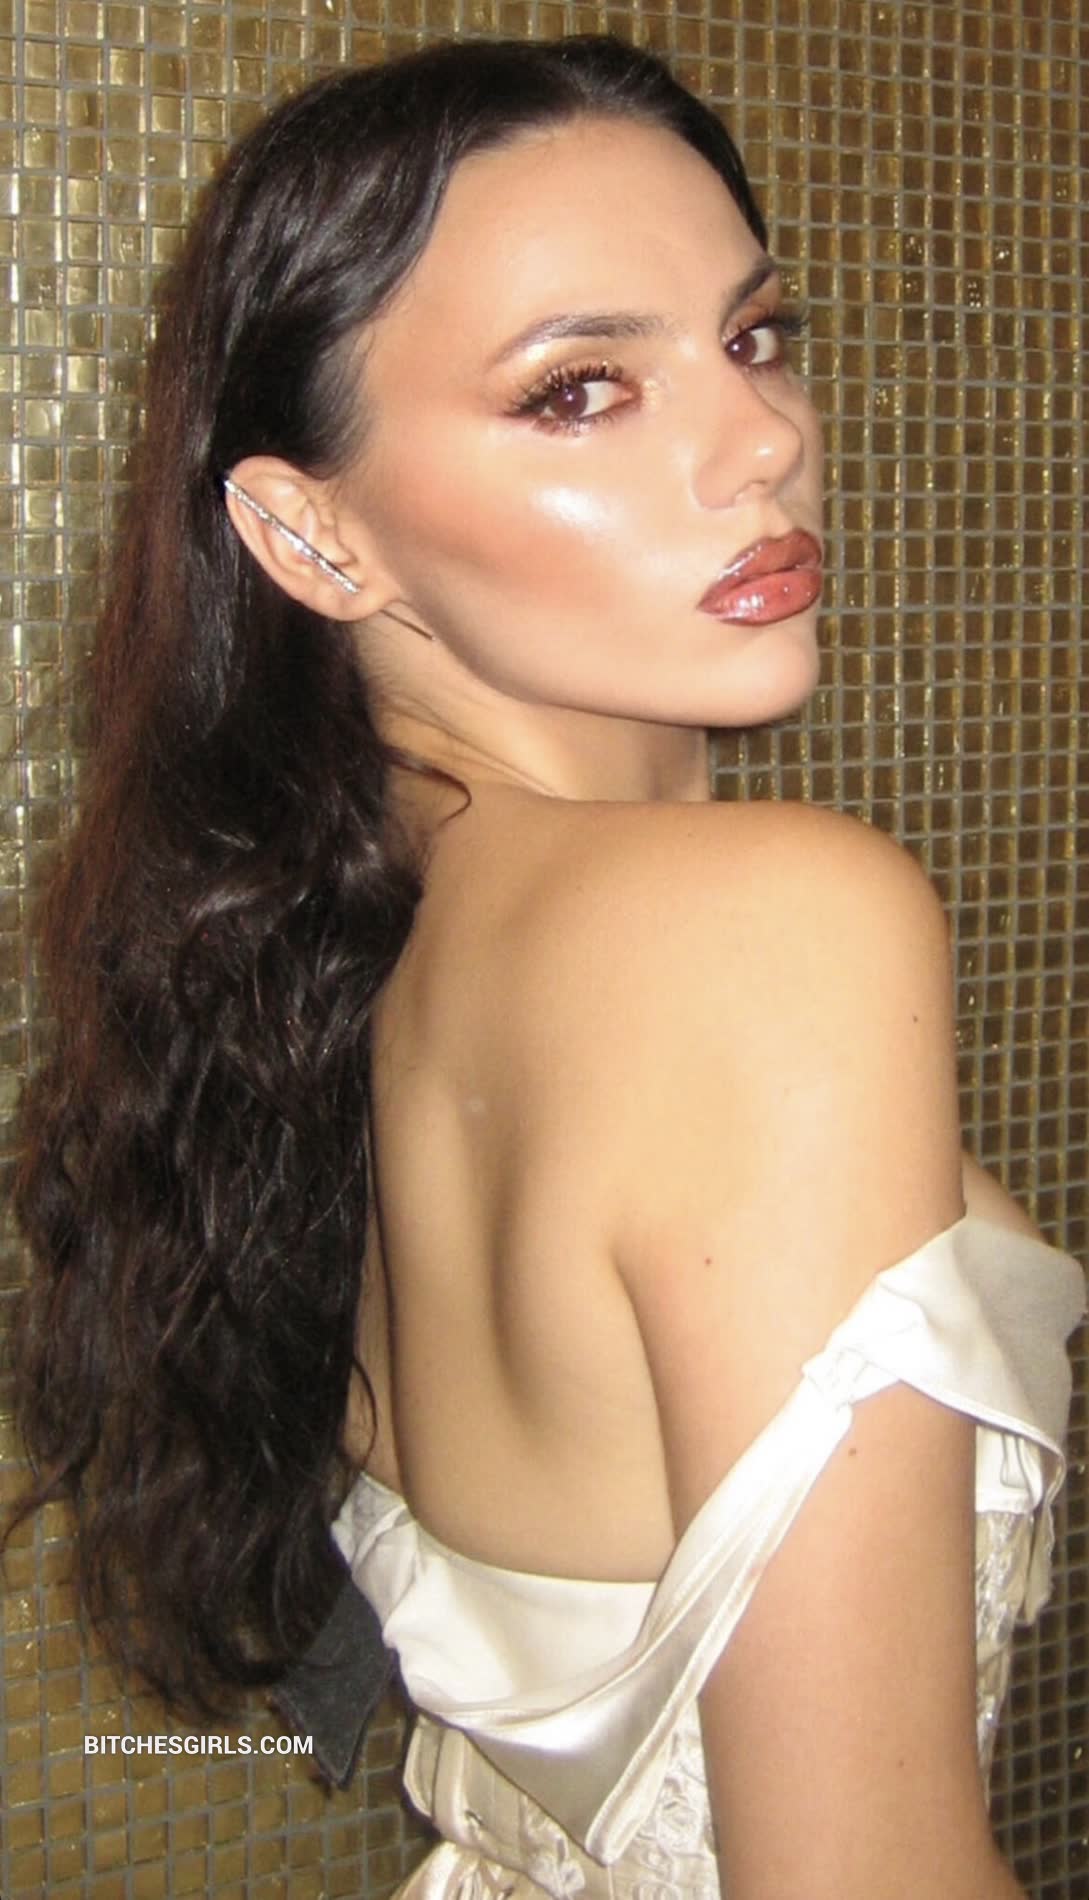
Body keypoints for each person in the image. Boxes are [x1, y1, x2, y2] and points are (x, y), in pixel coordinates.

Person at [6, 34, 1083, 1900]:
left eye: (753, 335)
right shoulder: (763, 926)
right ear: (310, 532)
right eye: (579, 389)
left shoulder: (343, 969)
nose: (764, 441)